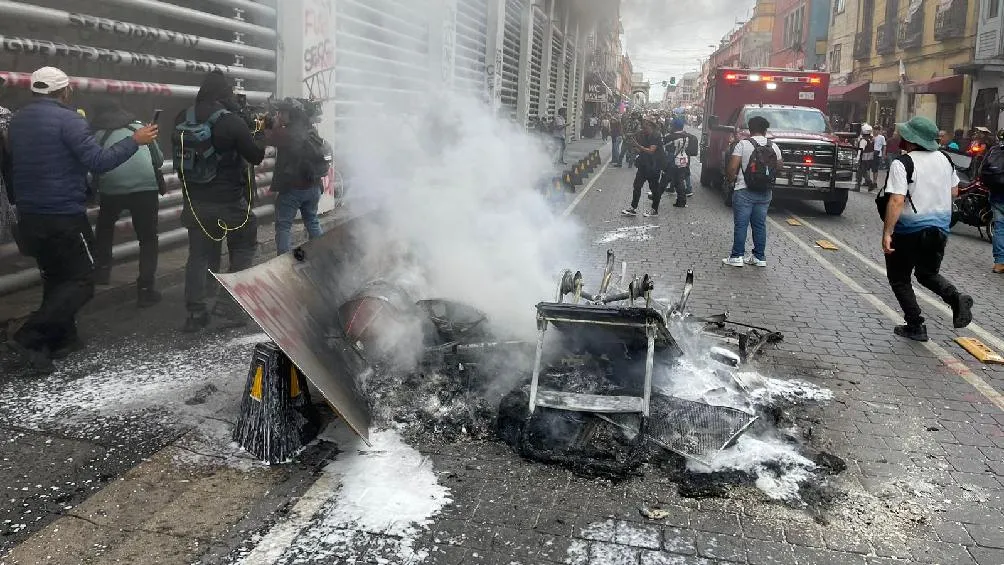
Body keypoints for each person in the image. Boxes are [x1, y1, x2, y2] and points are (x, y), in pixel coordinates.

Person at [6, 66, 158, 372]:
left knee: (56, 278)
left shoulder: (18, 120)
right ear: (65, 92)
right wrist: (135, 141)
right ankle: (30, 336)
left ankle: (60, 341)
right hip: (62, 214)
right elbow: (98, 161)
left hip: (29, 215)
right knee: (84, 279)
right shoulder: (69, 120)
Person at [173, 70, 268, 333]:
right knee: (243, 248)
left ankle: (195, 314)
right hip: (229, 202)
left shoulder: (184, 116)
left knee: (198, 256)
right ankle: (230, 305)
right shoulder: (232, 122)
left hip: (195, 202)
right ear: (225, 93)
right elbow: (256, 156)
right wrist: (259, 132)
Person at [880, 116, 973, 341]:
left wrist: (887, 232)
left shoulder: (903, 163)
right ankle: (955, 297)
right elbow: (954, 192)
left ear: (911, 140)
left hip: (909, 231)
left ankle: (916, 325)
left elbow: (896, 200)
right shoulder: (945, 159)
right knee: (927, 273)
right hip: (939, 230)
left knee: (899, 277)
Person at [89, 99, 165, 307]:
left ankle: (102, 273)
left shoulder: (97, 134)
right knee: (148, 238)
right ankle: (145, 288)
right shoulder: (139, 128)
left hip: (111, 187)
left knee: (104, 228)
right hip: (145, 188)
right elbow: (158, 160)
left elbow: (92, 164)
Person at [723, 116, 782, 268]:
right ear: (765, 129)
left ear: (750, 129)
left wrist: (731, 181)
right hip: (765, 192)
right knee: (760, 224)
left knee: (741, 224)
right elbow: (779, 167)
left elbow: (732, 167)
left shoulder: (743, 144)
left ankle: (737, 256)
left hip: (744, 189)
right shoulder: (774, 146)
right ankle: (759, 257)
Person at [270, 98, 327, 255]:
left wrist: (274, 124)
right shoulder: (310, 129)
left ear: (290, 114)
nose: (279, 114)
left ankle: (283, 262)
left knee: (284, 226)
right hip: (314, 186)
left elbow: (267, 138)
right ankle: (322, 254)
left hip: (294, 189)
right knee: (312, 221)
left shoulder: (286, 133)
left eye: (282, 112)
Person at [621, 120, 663, 217]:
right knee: (637, 186)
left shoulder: (656, 136)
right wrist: (635, 148)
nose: (643, 130)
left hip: (654, 166)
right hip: (644, 165)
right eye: (643, 128)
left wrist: (638, 146)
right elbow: (642, 150)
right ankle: (633, 208)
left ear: (651, 127)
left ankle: (654, 210)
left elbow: (651, 151)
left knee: (654, 189)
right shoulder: (645, 136)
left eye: (645, 128)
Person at [658, 117, 693, 209]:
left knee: (664, 181)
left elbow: (661, 145)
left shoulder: (670, 137)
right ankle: (681, 201)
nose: (670, 126)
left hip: (672, 160)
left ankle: (655, 198)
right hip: (683, 160)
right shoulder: (687, 136)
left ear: (674, 126)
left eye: (671, 125)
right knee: (680, 181)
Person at [857, 124, 877, 190]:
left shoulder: (863, 141)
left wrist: (857, 159)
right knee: (863, 172)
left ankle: (858, 186)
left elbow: (860, 150)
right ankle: (869, 184)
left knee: (860, 172)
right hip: (869, 159)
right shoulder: (871, 139)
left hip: (863, 159)